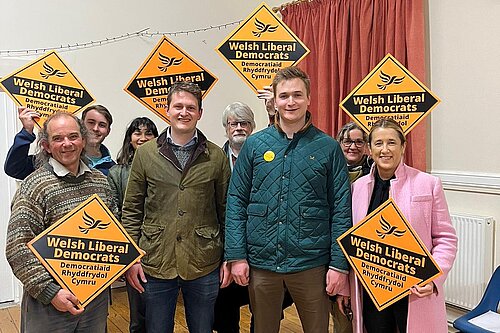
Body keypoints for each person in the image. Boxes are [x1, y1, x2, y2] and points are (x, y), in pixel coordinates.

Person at [225, 66, 352, 333]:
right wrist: (236, 256)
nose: (290, 102)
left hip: (311, 264)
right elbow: (236, 201)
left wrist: (339, 265)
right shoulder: (255, 145)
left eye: (297, 95)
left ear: (308, 98)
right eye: (284, 96)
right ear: (274, 100)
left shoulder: (328, 148)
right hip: (262, 263)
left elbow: (341, 209)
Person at [121, 82, 231, 333]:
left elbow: (226, 210)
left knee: (203, 328)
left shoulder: (215, 156)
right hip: (156, 258)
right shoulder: (146, 154)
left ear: (200, 113)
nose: (184, 112)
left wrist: (229, 256)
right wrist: (131, 258)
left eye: (191, 107)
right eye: (178, 106)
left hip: (204, 259)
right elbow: (132, 208)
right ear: (167, 110)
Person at [5, 111, 116, 333]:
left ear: (83, 140)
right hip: (48, 303)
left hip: (94, 300)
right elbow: (17, 247)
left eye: (73, 136)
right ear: (46, 146)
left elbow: (114, 233)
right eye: (58, 138)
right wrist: (50, 292)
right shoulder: (35, 186)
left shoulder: (101, 182)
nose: (67, 144)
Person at [350, 118, 457, 333]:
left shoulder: (428, 183)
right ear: (370, 149)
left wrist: (434, 277)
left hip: (414, 290)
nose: (385, 149)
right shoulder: (357, 187)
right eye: (378, 143)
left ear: (403, 146)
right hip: (372, 291)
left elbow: (446, 238)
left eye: (391, 142)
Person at [214, 102, 293, 333]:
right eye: (233, 123)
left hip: (264, 249)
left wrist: (272, 113)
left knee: (265, 311)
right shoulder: (214, 160)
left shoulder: (271, 156)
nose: (239, 127)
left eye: (244, 123)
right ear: (226, 128)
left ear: (253, 126)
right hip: (226, 250)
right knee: (225, 311)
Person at [107, 117, 158, 333]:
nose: (143, 138)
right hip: (135, 248)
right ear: (130, 138)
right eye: (138, 133)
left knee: (161, 311)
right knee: (138, 313)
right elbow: (115, 214)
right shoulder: (117, 173)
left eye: (149, 133)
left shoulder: (165, 169)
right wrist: (124, 254)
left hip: (160, 248)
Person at [329, 122, 372, 333]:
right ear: (339, 143)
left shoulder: (376, 173)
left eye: (358, 141)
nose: (352, 146)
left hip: (366, 253)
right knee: (342, 316)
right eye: (347, 141)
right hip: (336, 250)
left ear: (366, 145)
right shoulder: (329, 171)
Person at [4, 104, 115, 180]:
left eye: (102, 125)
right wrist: (26, 132)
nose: (95, 128)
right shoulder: (50, 160)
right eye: (91, 122)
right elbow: (14, 169)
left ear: (108, 131)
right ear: (82, 125)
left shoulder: (114, 169)